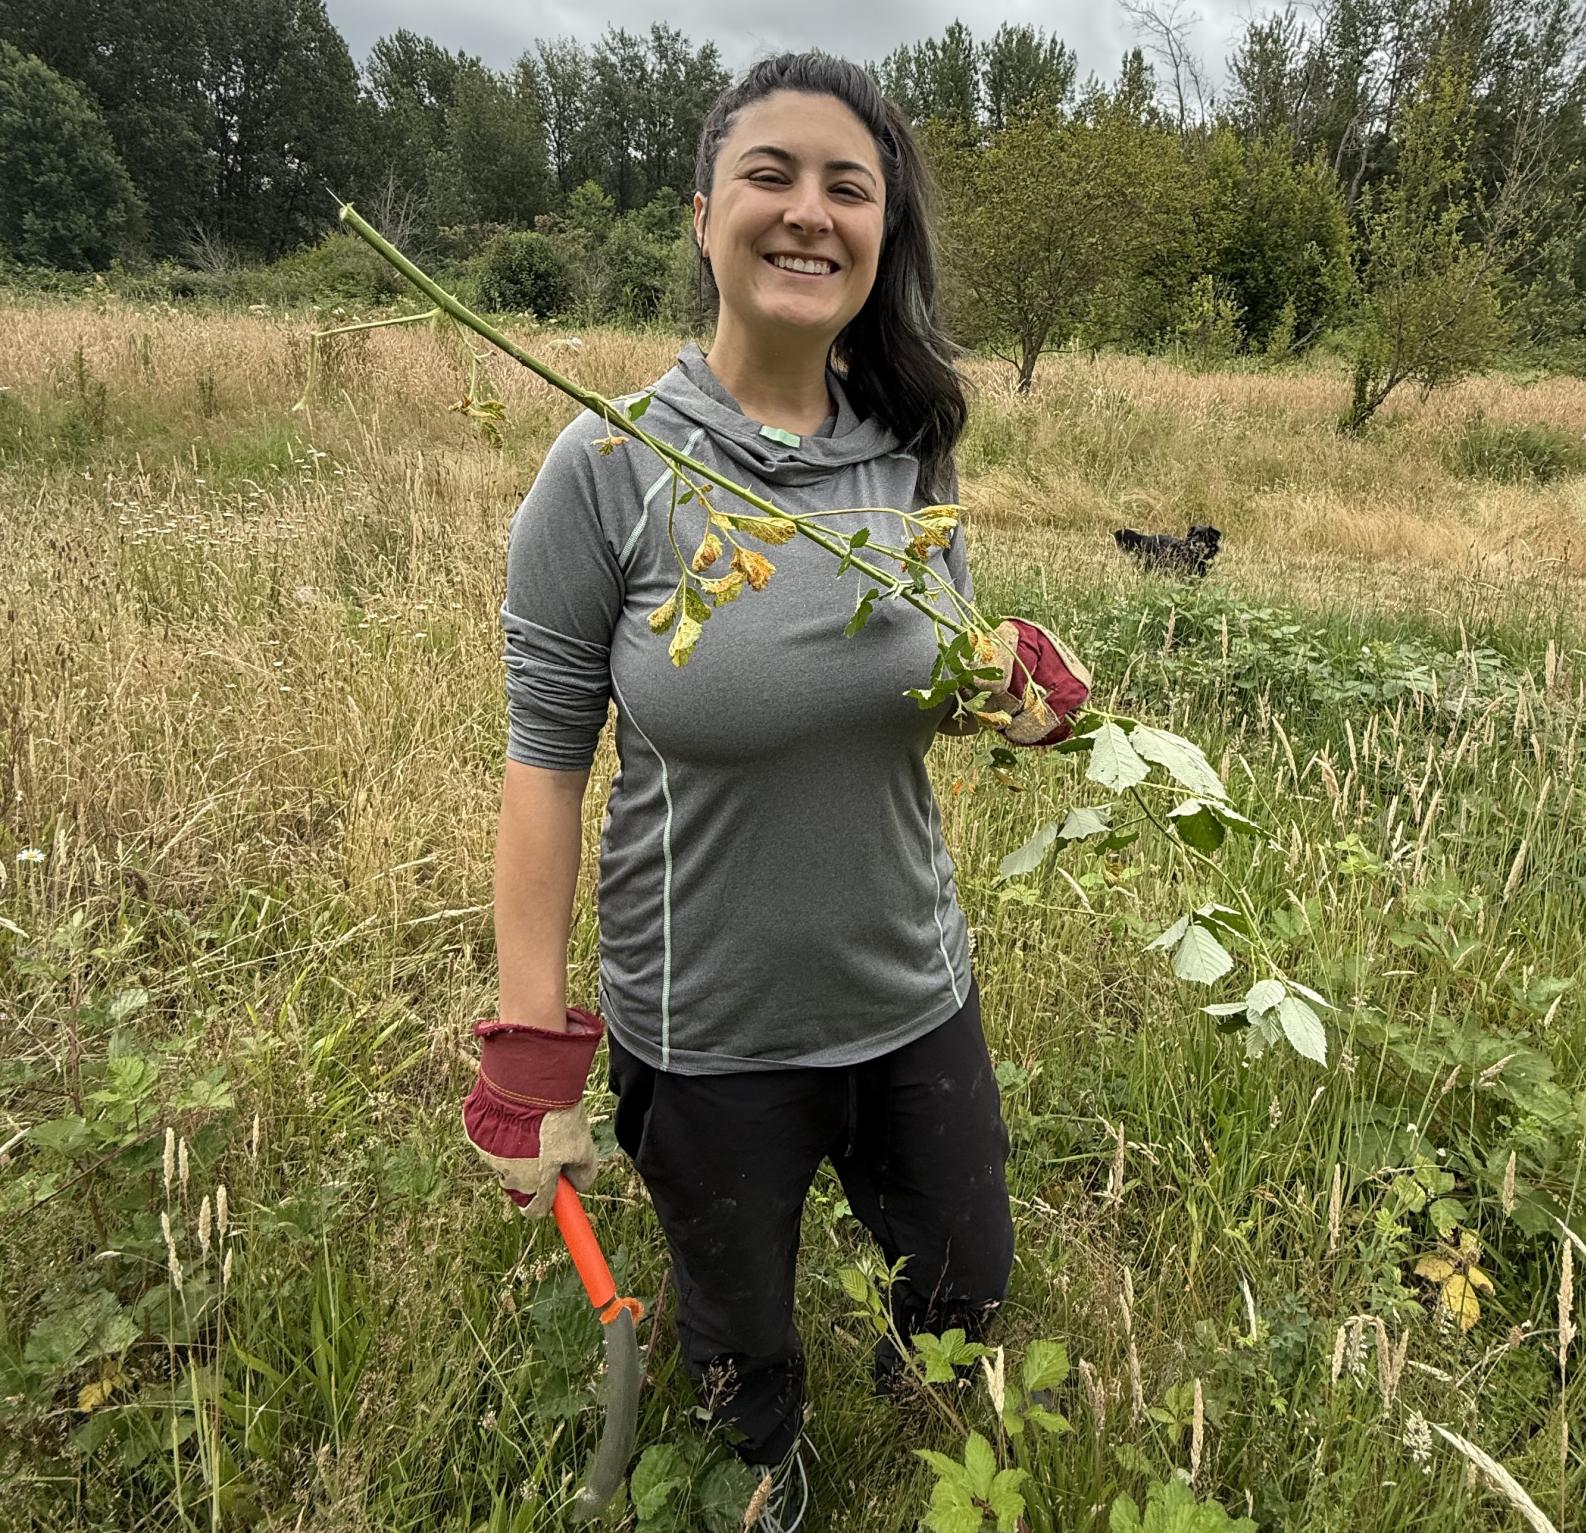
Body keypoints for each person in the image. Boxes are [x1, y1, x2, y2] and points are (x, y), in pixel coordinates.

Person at [460, 52, 1089, 1531]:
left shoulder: (914, 452)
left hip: (911, 984)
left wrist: (1012, 693)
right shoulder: (608, 467)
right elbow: (544, 767)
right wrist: (530, 1060)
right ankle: (768, 1453)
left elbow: (930, 678)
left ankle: (921, 1422)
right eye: (773, 176)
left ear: (883, 234)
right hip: (709, 1023)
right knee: (734, 1314)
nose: (810, 212)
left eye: (848, 187)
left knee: (965, 1275)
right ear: (703, 217)